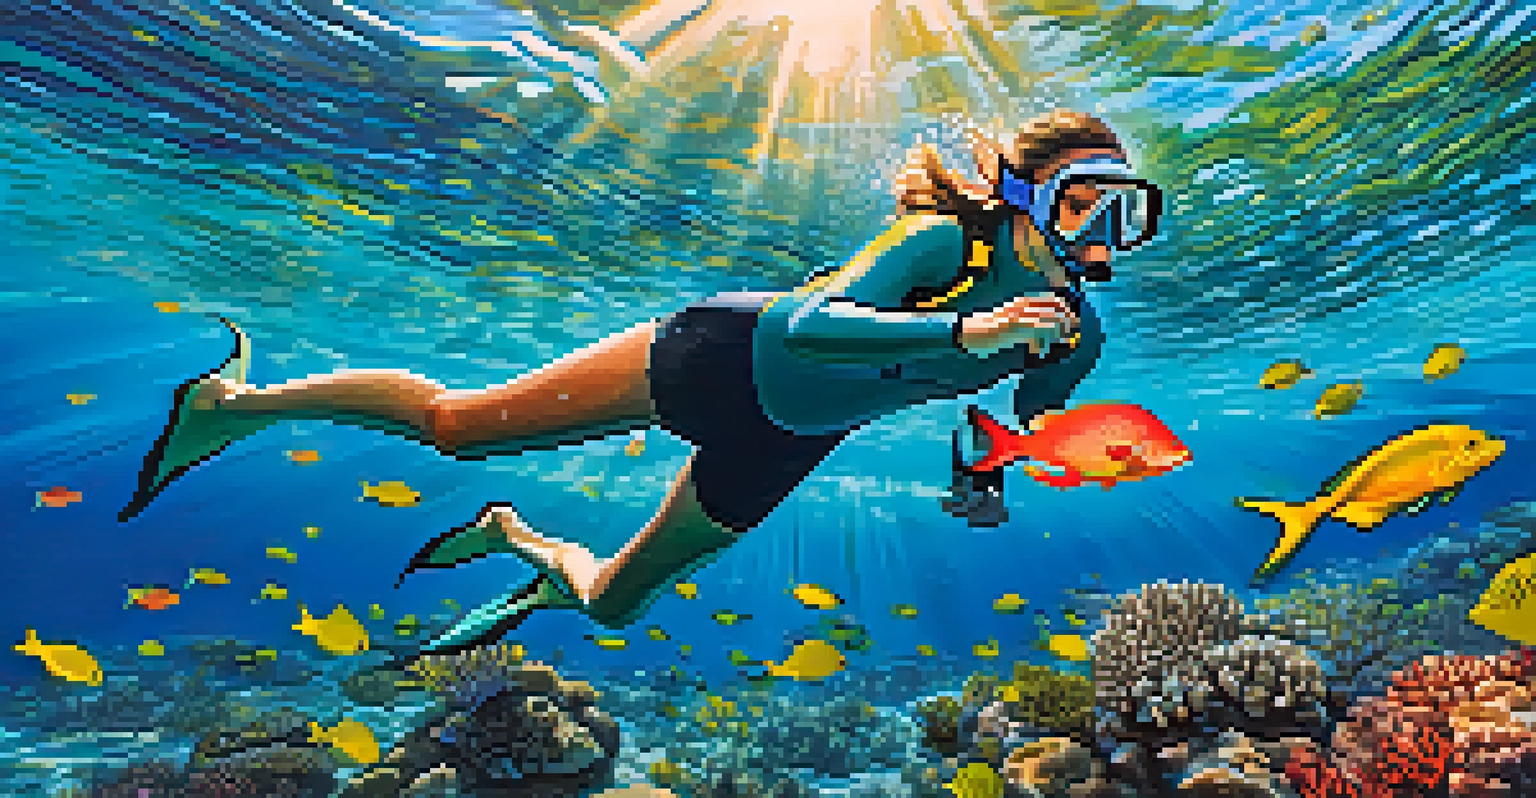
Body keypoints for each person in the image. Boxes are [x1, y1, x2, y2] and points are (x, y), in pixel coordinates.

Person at [119, 110, 1163, 655]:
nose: (1104, 237)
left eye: (1129, 215)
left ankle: (515, 539)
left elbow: (1016, 423)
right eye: (1085, 206)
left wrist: (992, 473)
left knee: (615, 605)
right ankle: (227, 408)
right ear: (1028, 195)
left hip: (787, 442)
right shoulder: (943, 241)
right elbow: (809, 324)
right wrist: (969, 327)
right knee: (453, 426)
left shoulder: (1076, 337)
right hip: (722, 357)